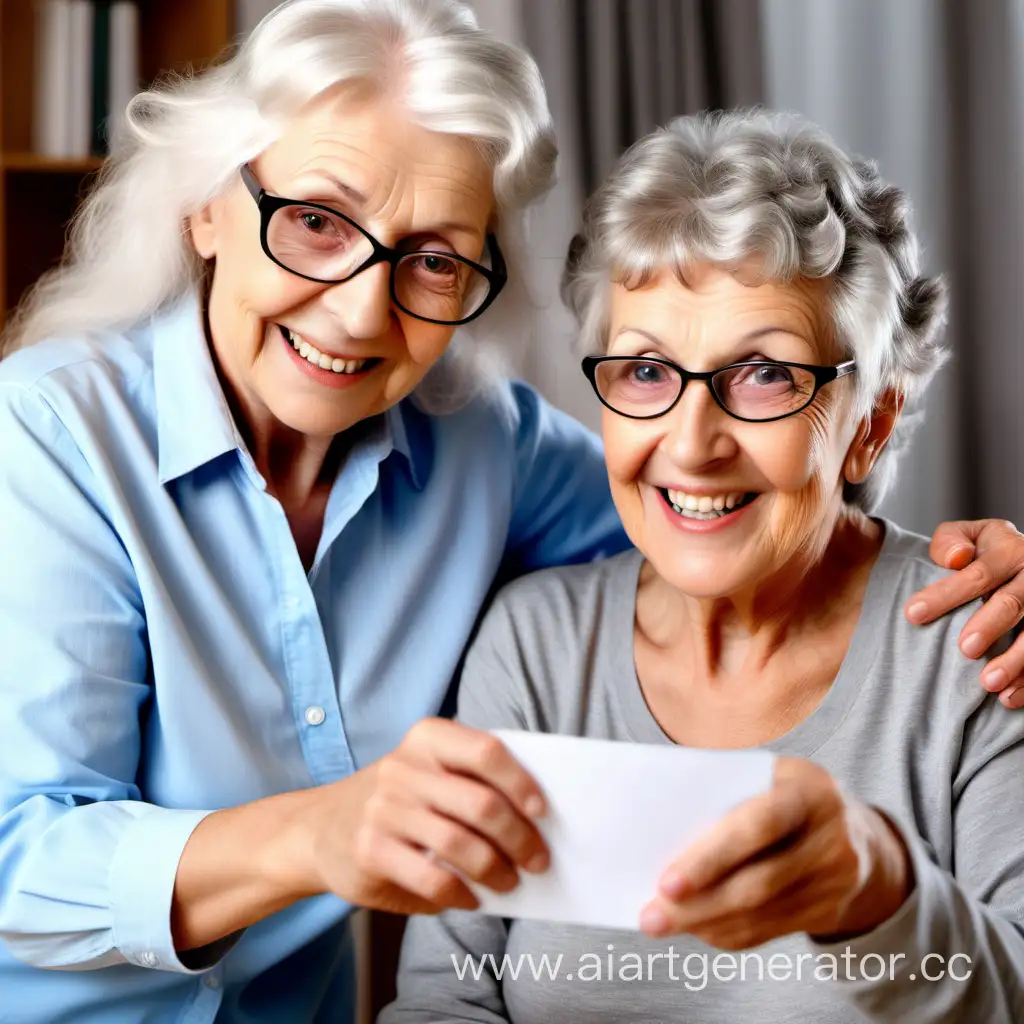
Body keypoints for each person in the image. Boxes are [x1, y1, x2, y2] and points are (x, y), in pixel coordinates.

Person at [0, 3, 1020, 1022]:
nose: (360, 309)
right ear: (205, 207)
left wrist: (979, 563)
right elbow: (14, 861)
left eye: (435, 257)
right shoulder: (50, 434)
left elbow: (717, 514)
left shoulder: (484, 445)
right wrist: (316, 834)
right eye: (315, 219)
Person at [381, 110, 1024, 1024]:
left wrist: (880, 890)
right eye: (645, 372)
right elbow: (445, 1003)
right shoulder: (533, 645)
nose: (690, 446)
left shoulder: (982, 645)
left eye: (763, 374)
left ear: (871, 420)